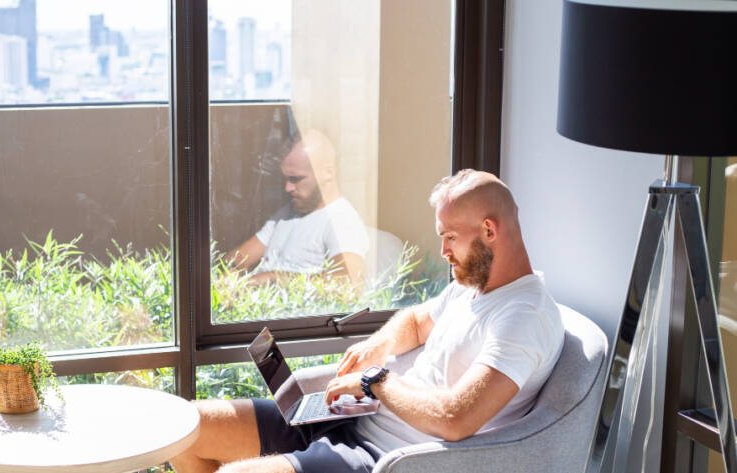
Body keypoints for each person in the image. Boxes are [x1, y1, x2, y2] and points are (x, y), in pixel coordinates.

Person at [171, 169, 565, 473]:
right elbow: (416, 322)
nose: (443, 250)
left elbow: (454, 419)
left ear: (489, 230)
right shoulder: (472, 287)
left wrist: (374, 381)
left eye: (449, 236)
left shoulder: (523, 317)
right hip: (349, 418)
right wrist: (377, 346)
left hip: (381, 455)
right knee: (185, 429)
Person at [224, 129, 368, 288]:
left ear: (328, 172)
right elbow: (240, 258)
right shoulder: (288, 213)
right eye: (285, 179)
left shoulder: (342, 220)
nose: (288, 188)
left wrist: (272, 279)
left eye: (295, 179)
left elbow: (348, 284)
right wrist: (228, 274)